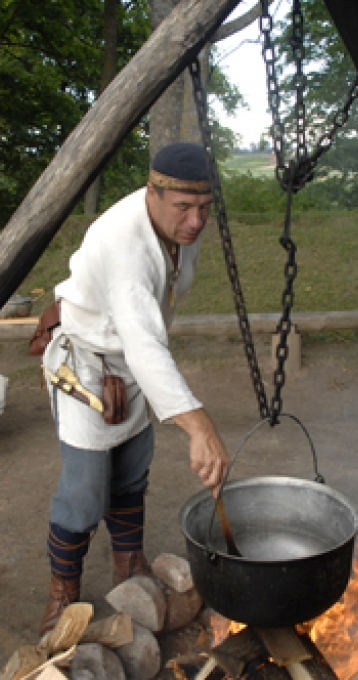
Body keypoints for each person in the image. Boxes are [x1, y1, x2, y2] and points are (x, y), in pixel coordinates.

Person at [37, 142, 230, 635]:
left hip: (133, 370)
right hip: (88, 367)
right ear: (153, 191)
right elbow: (143, 343)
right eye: (184, 208)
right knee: (84, 494)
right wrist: (199, 426)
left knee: (130, 472)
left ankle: (129, 568)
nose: (195, 222)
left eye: (205, 208)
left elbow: (148, 330)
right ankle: (64, 593)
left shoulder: (178, 227)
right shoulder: (124, 243)